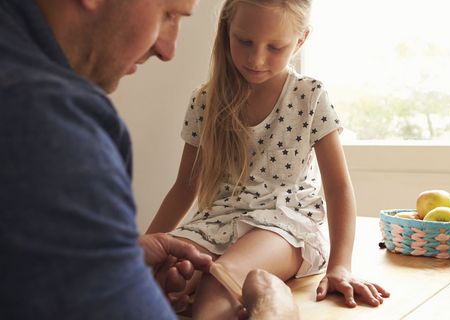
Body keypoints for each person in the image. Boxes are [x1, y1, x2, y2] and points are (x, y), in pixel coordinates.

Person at [0, 0, 297, 319]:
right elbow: (186, 185)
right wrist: (275, 309)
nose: (167, 49)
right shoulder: (45, 119)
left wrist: (118, 256)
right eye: (168, 14)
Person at [146, 0, 390, 318]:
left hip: (284, 225)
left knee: (219, 279)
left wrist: (340, 266)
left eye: (275, 47)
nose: (256, 59)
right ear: (226, 31)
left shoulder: (309, 95)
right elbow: (184, 186)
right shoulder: (204, 101)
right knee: (161, 280)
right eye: (244, 41)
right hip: (216, 223)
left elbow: (338, 187)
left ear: (300, 40)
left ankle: (275, 304)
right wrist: (141, 254)